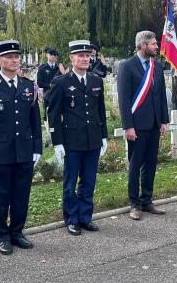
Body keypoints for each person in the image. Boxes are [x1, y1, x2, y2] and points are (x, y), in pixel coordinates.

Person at [0, 40, 42, 255]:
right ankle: (2, 235)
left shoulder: (28, 86)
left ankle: (17, 232)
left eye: (16, 56)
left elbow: (35, 120)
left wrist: (37, 148)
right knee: (1, 195)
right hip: (0, 151)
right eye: (9, 57)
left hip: (24, 149)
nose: (14, 60)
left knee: (22, 193)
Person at [48, 40, 108, 235]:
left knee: (89, 181)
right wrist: (57, 142)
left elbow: (100, 111)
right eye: (80, 55)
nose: (85, 59)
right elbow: (54, 114)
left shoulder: (96, 80)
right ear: (72, 58)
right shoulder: (61, 82)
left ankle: (85, 217)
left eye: (87, 55)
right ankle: (72, 218)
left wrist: (104, 137)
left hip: (93, 140)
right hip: (72, 142)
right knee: (70, 183)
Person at [117, 31, 169, 220]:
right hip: (137, 126)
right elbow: (124, 99)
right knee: (136, 164)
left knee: (151, 164)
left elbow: (161, 94)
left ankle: (147, 200)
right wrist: (128, 126)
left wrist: (163, 120)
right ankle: (134, 204)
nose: (157, 47)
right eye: (154, 44)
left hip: (154, 124)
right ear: (143, 45)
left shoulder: (156, 66)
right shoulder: (127, 66)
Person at [37, 47, 65, 117]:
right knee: (48, 115)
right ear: (47, 55)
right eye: (51, 54)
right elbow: (39, 83)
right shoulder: (42, 68)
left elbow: (65, 81)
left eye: (54, 55)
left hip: (58, 94)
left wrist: (63, 72)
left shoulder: (59, 67)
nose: (53, 56)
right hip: (48, 94)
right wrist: (49, 85)